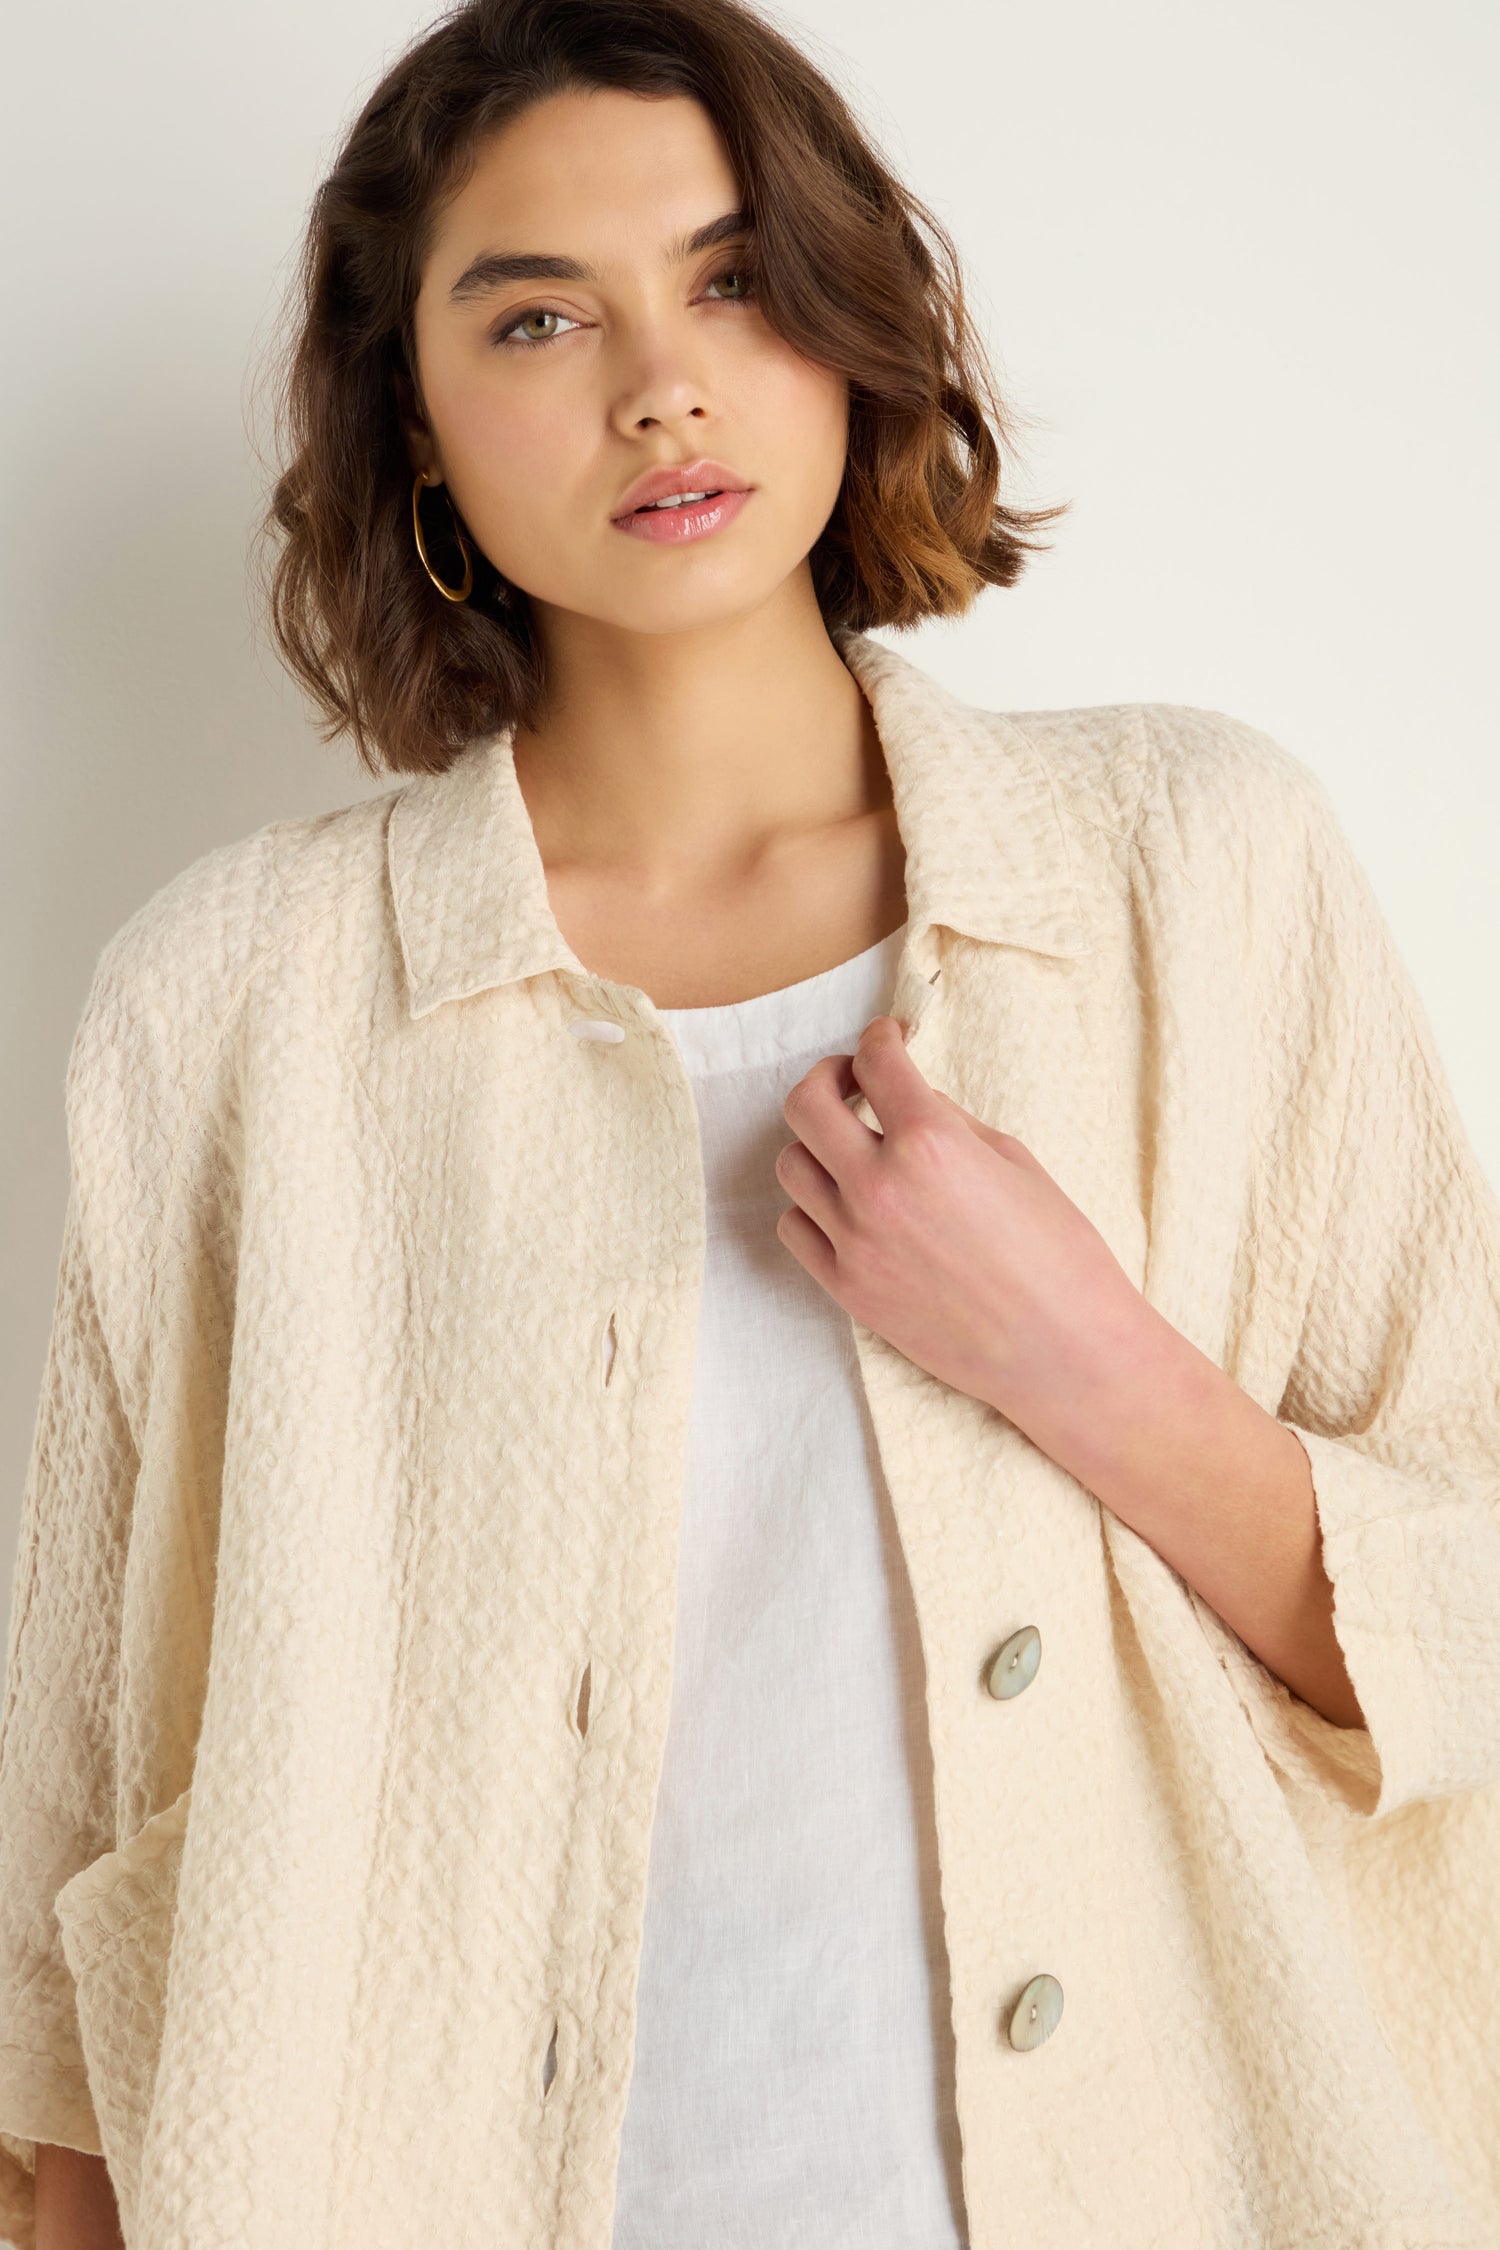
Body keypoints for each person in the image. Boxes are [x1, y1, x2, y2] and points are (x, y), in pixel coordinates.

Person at [4, 0, 1500, 2245]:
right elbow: (79, 1809)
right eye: (536, 316)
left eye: (730, 278)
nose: (659, 386)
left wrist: (1085, 1365)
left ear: (848, 324)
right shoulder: (239, 1009)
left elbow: (1471, 1620)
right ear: (410, 423)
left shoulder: (1199, 866)